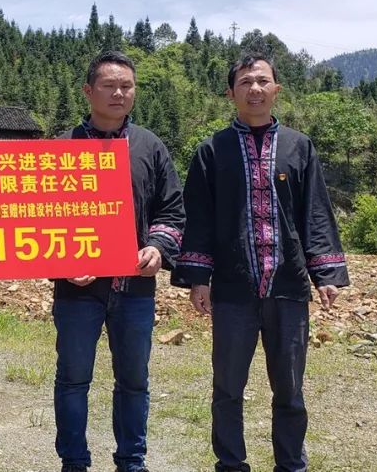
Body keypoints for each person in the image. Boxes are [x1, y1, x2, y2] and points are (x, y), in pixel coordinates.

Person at [173, 54, 350, 472]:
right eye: (245, 82)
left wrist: (325, 273)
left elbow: (315, 212)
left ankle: (291, 464)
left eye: (262, 81)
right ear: (230, 92)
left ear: (276, 89)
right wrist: (198, 278)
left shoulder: (298, 147)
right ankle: (231, 463)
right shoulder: (212, 151)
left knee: (289, 389)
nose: (254, 89)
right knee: (227, 388)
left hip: (288, 286)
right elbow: (198, 217)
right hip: (232, 288)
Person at [52, 50, 185, 472]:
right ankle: (74, 461)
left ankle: (131, 460)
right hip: (77, 290)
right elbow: (39, 220)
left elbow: (172, 210)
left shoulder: (149, 146)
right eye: (109, 85)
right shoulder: (61, 148)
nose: (118, 93)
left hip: (135, 289)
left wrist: (158, 247)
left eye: (126, 86)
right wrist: (62, 264)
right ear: (88, 91)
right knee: (73, 379)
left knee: (134, 381)